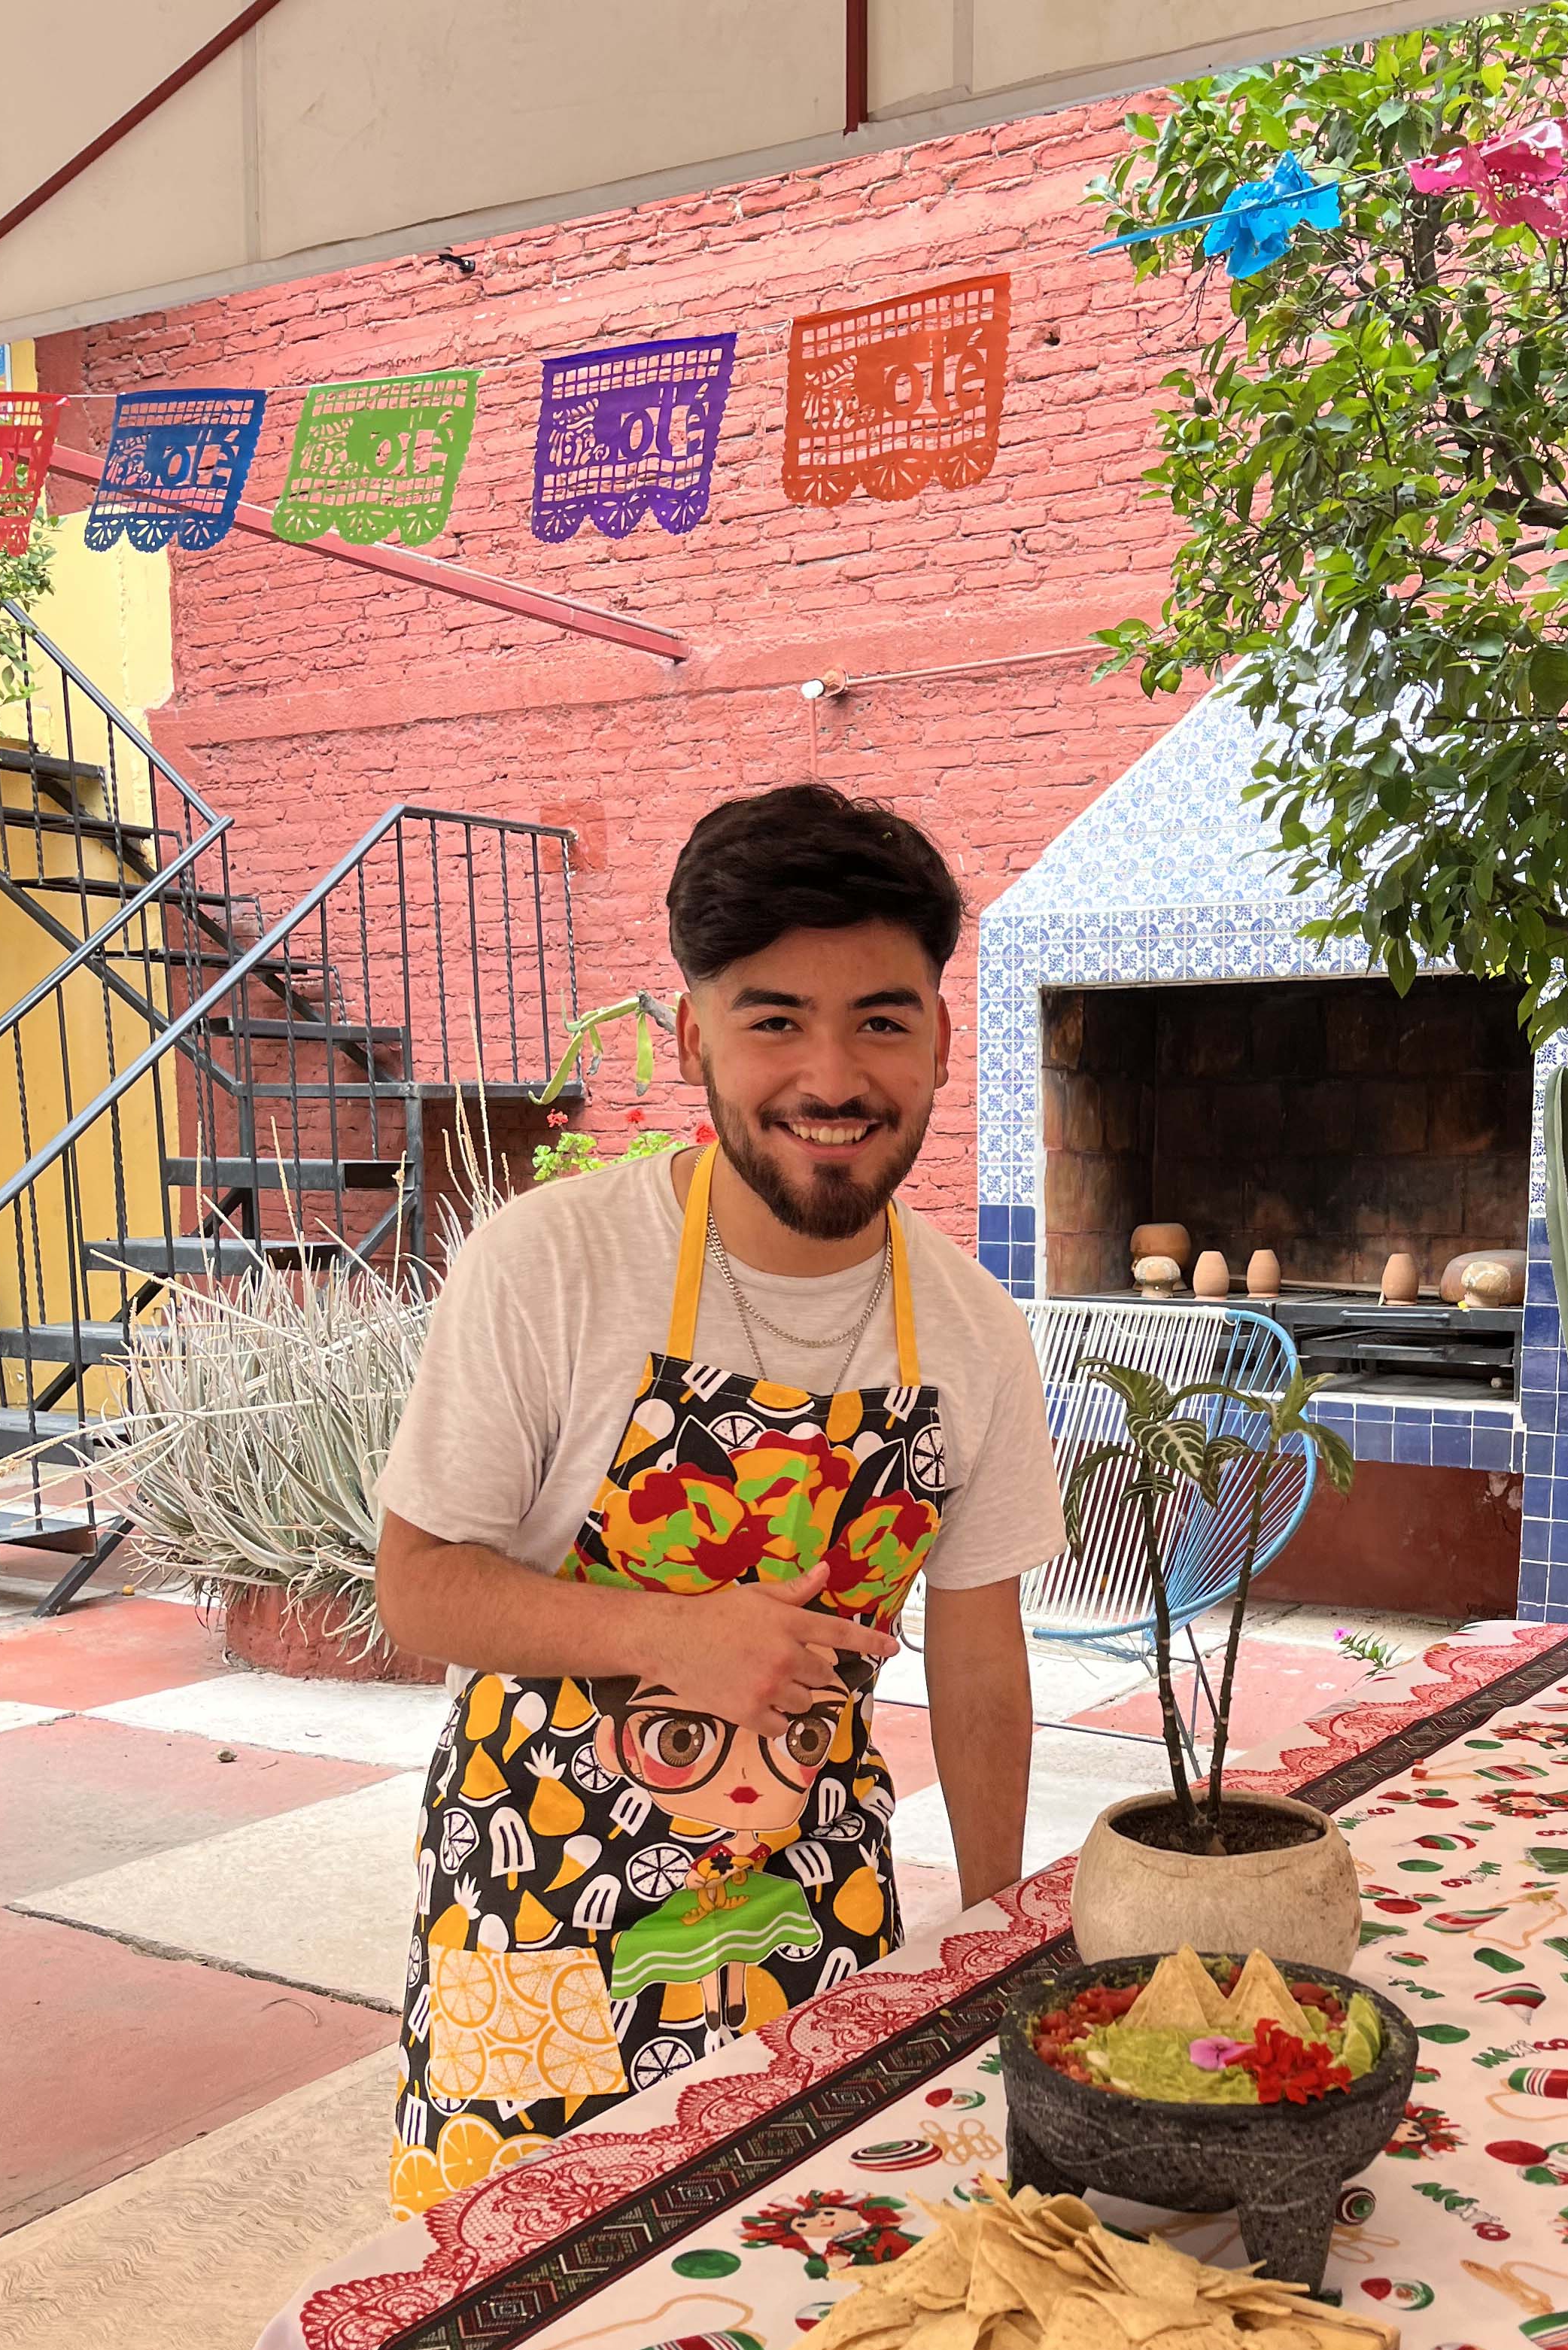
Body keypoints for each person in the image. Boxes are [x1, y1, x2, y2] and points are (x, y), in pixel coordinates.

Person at [375, 783, 1063, 2219]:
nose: (832, 1074)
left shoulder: (978, 1330)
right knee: (527, 2287)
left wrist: (995, 1922)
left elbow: (981, 1645)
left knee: (803, 2258)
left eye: (881, 1018)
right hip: (540, 1885)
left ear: (940, 1038)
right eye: (773, 1020)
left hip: (815, 1888)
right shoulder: (551, 1261)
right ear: (694, 1038)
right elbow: (421, 1585)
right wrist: (685, 1638)